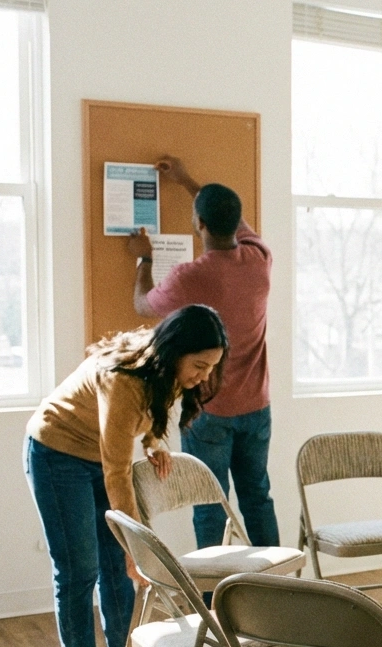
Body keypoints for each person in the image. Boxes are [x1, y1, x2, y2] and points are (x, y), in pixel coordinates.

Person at [25, 305, 228, 647]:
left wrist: (154, 442)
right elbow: (117, 471)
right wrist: (136, 547)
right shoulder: (123, 379)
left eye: (212, 368)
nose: (204, 376)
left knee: (117, 567)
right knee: (80, 569)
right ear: (175, 352)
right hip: (56, 455)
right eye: (200, 365)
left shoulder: (167, 371)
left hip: (96, 459)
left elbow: (152, 410)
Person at [127, 157, 277, 551]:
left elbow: (143, 304)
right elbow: (222, 212)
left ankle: (214, 599)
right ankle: (281, 588)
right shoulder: (260, 259)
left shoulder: (189, 277)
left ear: (198, 224)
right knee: (258, 498)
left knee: (210, 505)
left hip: (208, 410)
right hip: (257, 407)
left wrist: (144, 258)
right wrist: (188, 180)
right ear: (238, 222)